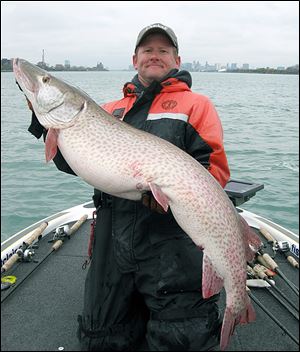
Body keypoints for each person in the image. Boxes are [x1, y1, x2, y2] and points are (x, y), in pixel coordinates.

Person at [26, 23, 230, 351]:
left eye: (163, 50)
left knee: (180, 337)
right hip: (112, 245)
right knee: (104, 336)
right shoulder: (109, 110)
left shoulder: (197, 105)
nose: (155, 56)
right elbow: (76, 163)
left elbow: (214, 173)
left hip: (172, 246)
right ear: (134, 59)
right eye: (147, 50)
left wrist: (173, 196)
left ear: (176, 59)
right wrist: (43, 122)